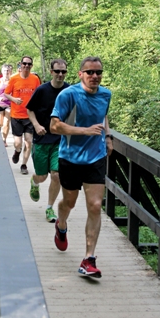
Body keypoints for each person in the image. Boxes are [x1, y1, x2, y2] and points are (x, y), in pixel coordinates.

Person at [50, 56, 113, 278]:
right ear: (80, 74)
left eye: (98, 72)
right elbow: (54, 125)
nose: (95, 76)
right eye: (90, 72)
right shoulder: (68, 95)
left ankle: (89, 259)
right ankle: (62, 224)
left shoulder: (106, 94)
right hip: (70, 157)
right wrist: (85, 131)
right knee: (69, 202)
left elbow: (103, 115)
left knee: (95, 205)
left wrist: (108, 136)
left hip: (96, 156)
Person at [26, 59, 69, 223]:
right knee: (42, 175)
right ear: (51, 72)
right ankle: (35, 182)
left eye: (63, 71)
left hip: (60, 139)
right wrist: (36, 125)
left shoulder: (69, 90)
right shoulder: (42, 90)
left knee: (56, 175)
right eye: (57, 71)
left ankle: (49, 208)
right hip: (42, 138)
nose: (60, 74)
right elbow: (29, 109)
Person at [4, 56, 41, 174]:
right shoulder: (14, 79)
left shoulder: (35, 79)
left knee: (29, 141)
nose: (26, 66)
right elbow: (6, 93)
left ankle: (24, 165)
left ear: (31, 66)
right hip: (16, 115)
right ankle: (17, 151)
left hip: (30, 116)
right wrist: (14, 99)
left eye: (29, 64)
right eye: (24, 63)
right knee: (18, 143)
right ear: (20, 64)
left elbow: (39, 94)